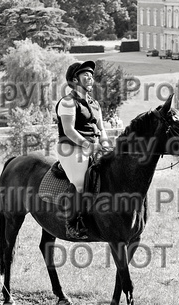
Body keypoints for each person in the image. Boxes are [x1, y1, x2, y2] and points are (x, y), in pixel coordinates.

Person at [56, 60, 110, 239]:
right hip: (71, 148)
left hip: (94, 147)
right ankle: (71, 223)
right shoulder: (68, 102)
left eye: (91, 75)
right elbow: (69, 130)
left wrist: (105, 143)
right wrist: (88, 145)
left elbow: (101, 128)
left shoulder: (95, 103)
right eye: (85, 75)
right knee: (80, 182)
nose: (90, 78)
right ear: (74, 80)